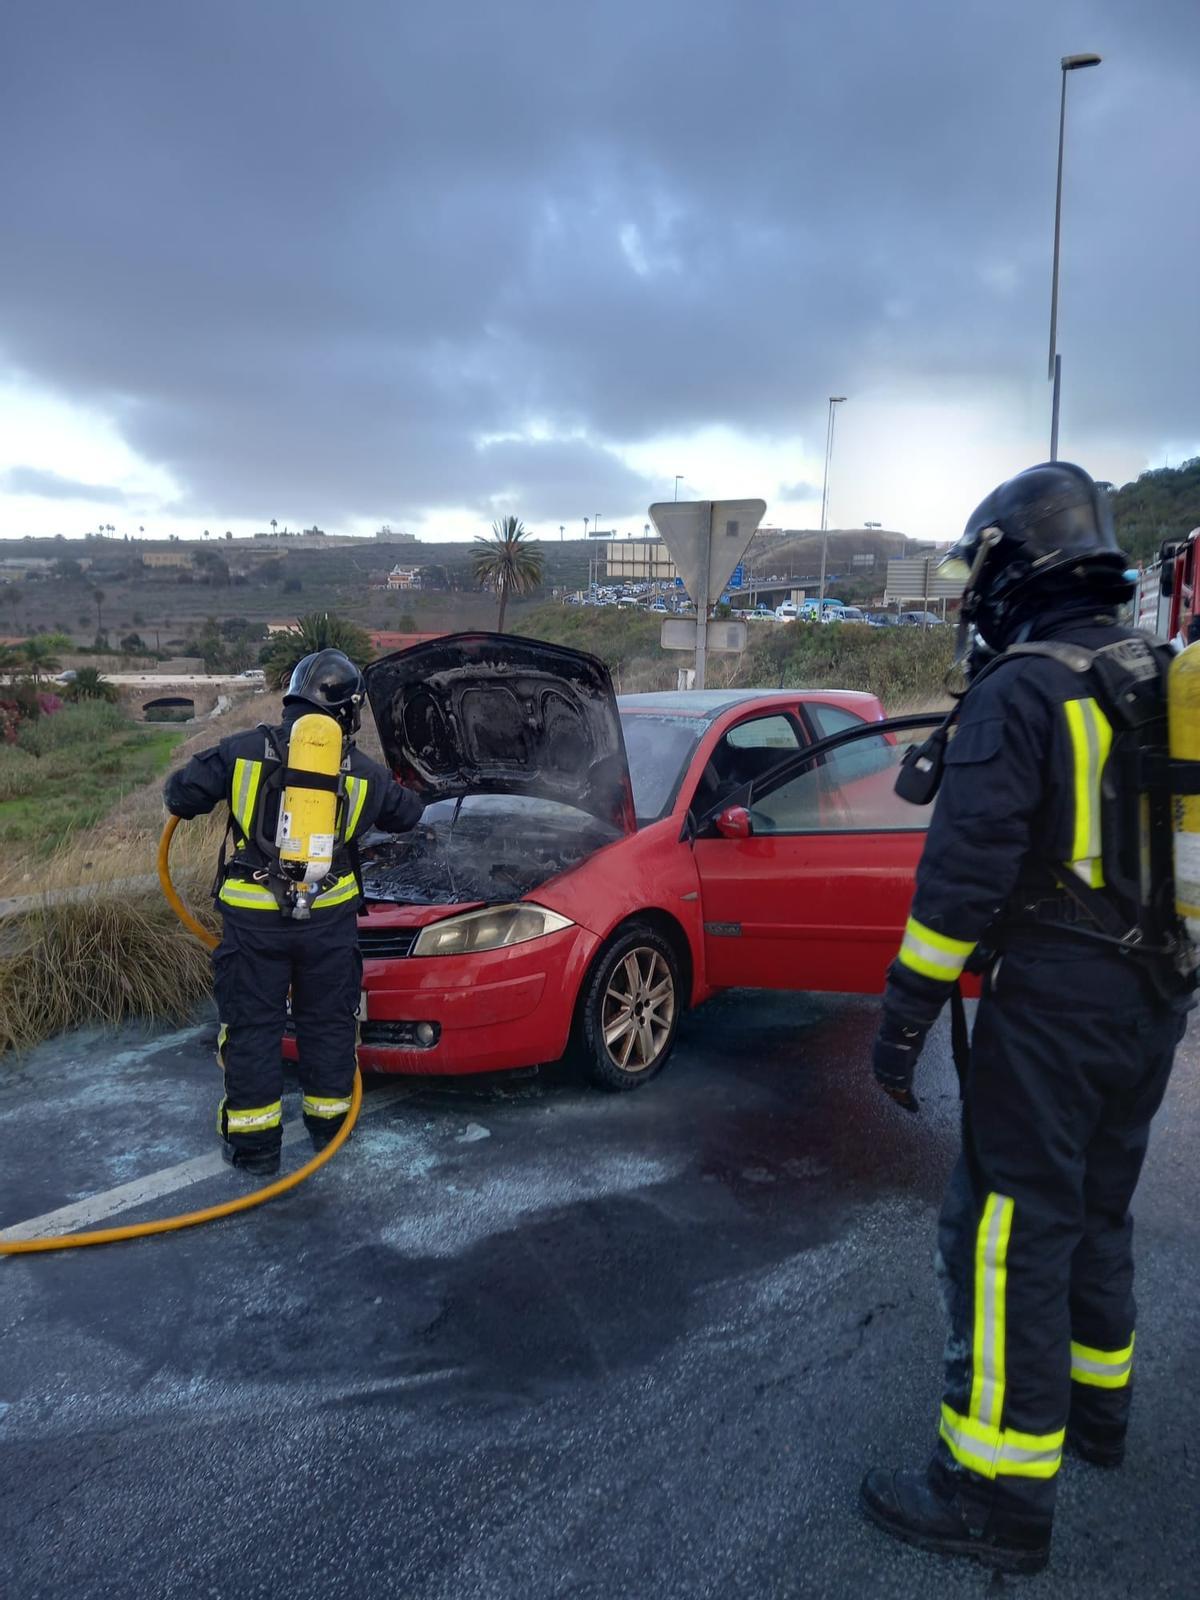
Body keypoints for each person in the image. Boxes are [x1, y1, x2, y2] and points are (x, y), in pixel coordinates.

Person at [860, 463, 1195, 1575]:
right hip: (1151, 997)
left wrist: (904, 1017)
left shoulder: (1022, 690)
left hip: (1056, 1001)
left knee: (1007, 1234)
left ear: (1011, 567)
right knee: (1097, 1209)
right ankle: (1098, 1418)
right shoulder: (1146, 668)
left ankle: (994, 1492)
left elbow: (961, 882)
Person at [164, 649, 423, 1175]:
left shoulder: (241, 751)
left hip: (253, 922)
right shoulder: (362, 773)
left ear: (292, 700)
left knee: (252, 1026)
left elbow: (179, 794)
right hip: (328, 923)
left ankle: (255, 1148)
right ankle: (329, 1127)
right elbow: (407, 815)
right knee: (327, 1023)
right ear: (348, 713)